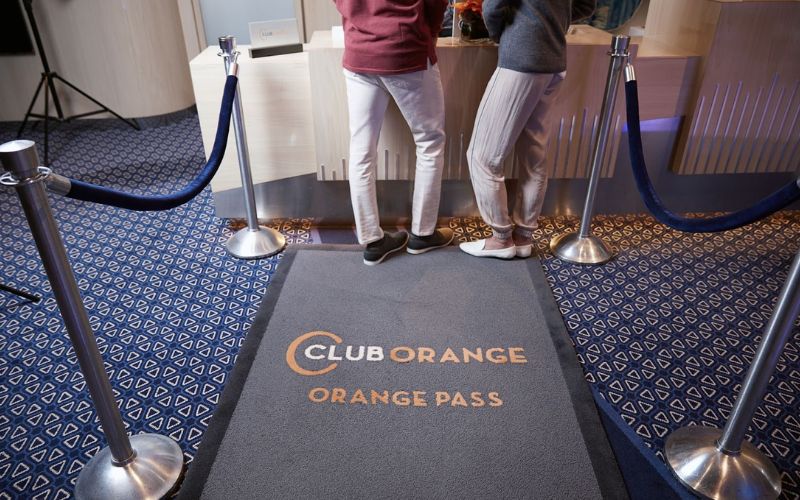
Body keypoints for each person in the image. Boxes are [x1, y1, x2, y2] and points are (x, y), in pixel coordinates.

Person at [459, 0, 596, 259]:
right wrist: (552, 21)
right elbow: (587, 5)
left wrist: (505, 32)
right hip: (554, 58)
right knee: (534, 154)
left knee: (482, 156)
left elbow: (493, 6)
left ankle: (501, 240)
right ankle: (523, 236)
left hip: (521, 57)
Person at [333, 0, 454, 265]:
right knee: (430, 142)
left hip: (359, 51)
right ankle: (423, 234)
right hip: (406, 49)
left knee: (361, 151)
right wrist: (431, 33)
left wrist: (358, 18)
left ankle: (372, 241)